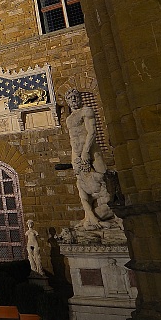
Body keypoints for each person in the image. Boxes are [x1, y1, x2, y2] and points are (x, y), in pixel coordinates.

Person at [64, 89, 115, 227]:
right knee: (81, 182)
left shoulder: (86, 111)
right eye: (70, 98)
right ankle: (89, 216)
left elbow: (92, 132)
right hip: (77, 152)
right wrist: (75, 157)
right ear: (67, 101)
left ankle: (114, 212)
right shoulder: (69, 119)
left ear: (79, 98)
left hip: (92, 151)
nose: (73, 99)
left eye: (75, 97)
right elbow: (72, 139)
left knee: (104, 178)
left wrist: (86, 152)